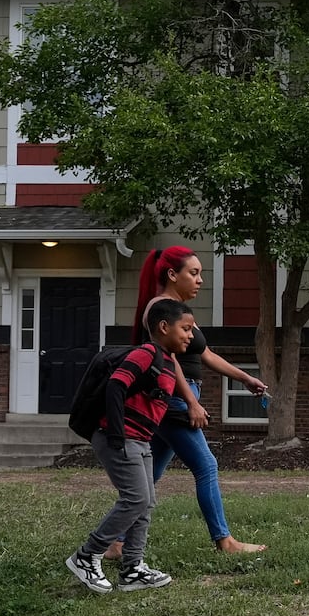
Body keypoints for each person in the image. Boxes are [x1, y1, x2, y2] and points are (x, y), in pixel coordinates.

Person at [123, 245, 270, 556]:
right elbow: (167, 359)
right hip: (174, 398)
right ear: (172, 274)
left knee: (150, 475)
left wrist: (245, 378)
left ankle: (115, 542)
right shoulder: (160, 309)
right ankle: (225, 541)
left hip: (178, 396)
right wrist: (191, 401)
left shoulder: (178, 311)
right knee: (206, 466)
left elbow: (205, 354)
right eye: (194, 273)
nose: (200, 280)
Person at [65, 298, 195, 594]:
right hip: (121, 437)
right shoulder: (148, 353)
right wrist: (117, 434)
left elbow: (151, 405)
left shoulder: (165, 364)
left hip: (142, 440)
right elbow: (116, 384)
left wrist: (189, 413)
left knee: (145, 502)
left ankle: (133, 569)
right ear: (164, 327)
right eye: (185, 328)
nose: (190, 335)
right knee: (135, 498)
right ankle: (87, 555)